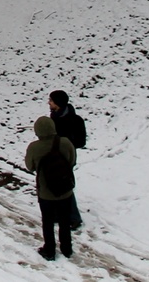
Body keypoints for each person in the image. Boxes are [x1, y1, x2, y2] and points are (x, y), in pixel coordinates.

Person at [25, 115, 77, 261]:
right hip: (65, 190)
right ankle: (67, 248)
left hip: (46, 193)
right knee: (64, 221)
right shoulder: (65, 142)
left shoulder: (34, 147)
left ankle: (49, 250)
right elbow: (72, 161)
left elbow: (30, 167)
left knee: (47, 222)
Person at [49, 89, 86, 229]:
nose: (49, 103)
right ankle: (58, 214)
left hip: (65, 157)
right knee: (54, 184)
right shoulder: (53, 117)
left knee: (65, 186)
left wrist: (65, 144)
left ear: (58, 103)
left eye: (51, 100)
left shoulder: (75, 120)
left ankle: (74, 217)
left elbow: (81, 142)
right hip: (53, 156)